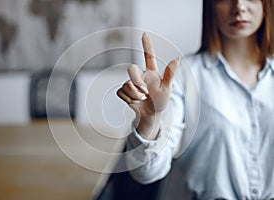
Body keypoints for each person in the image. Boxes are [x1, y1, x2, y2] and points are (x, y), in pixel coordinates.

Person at [116, 0, 274, 199]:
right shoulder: (185, 76)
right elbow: (147, 173)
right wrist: (150, 119)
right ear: (210, 7)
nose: (239, 7)